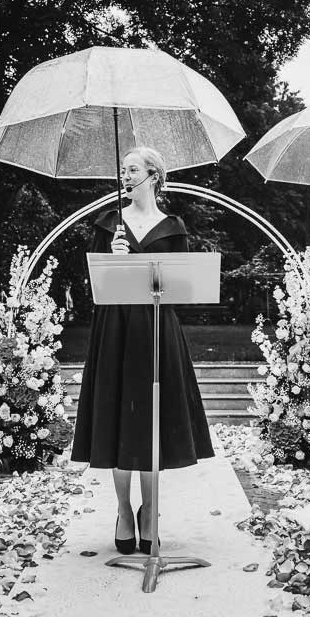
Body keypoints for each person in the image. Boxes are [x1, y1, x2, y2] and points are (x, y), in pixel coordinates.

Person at [71, 147, 213, 555]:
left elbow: (183, 287)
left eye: (133, 169)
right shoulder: (108, 224)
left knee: (151, 420)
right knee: (118, 416)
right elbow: (92, 287)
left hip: (155, 330)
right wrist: (112, 262)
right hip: (114, 329)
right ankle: (122, 510)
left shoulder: (173, 227)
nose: (125, 174)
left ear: (153, 175)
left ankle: (150, 510)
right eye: (123, 169)